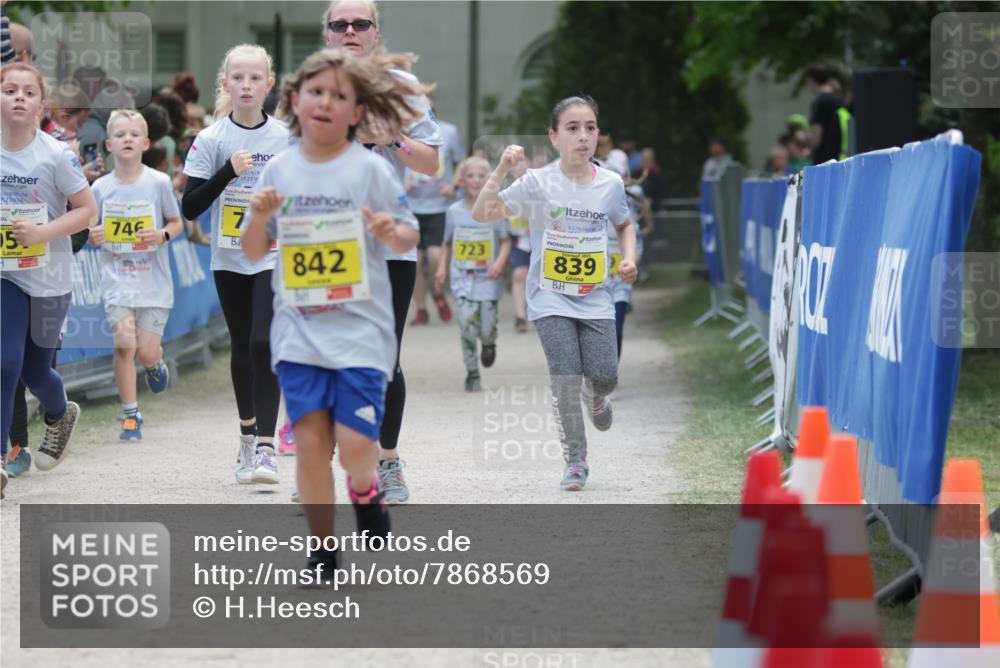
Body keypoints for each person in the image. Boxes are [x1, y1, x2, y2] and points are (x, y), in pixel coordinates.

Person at [242, 47, 421, 576]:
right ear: (294, 101)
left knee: (354, 444)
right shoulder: (278, 169)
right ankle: (323, 548)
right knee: (313, 445)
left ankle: (365, 491)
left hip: (362, 334)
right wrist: (257, 218)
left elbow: (410, 230)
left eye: (338, 95)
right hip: (298, 333)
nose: (324, 102)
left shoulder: (369, 170)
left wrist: (393, 231)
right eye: (315, 92)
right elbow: (255, 251)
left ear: (357, 111)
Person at [473, 95, 638, 492]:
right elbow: (483, 213)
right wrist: (500, 169)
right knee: (564, 376)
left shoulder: (611, 183)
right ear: (554, 137)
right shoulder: (537, 182)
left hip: (595, 294)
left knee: (604, 375)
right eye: (573, 128)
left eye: (591, 128)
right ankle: (576, 460)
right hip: (548, 296)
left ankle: (596, 397)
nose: (583, 136)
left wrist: (629, 260)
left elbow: (625, 225)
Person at [324, 0, 442, 505]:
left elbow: (433, 163)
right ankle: (324, 465)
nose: (350, 30)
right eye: (340, 24)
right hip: (327, 243)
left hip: (388, 246)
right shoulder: (314, 82)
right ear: (328, 33)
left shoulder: (401, 85)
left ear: (376, 31)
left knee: (384, 359)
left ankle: (388, 462)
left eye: (360, 23)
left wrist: (392, 137)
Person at [181, 44, 290, 486]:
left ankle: (266, 448)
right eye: (238, 78)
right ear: (225, 84)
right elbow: (190, 207)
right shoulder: (211, 139)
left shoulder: (286, 138)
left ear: (268, 85)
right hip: (229, 256)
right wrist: (227, 172)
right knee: (242, 346)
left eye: (255, 78)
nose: (246, 85)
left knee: (266, 342)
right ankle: (247, 435)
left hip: (273, 254)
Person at [1, 63, 98, 497]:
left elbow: (87, 211)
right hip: (5, 273)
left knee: (36, 371)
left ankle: (60, 414)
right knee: (4, 363)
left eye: (28, 92)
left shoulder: (55, 155)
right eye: (9, 90)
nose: (18, 97)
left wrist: (41, 233)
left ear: (42, 106)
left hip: (50, 276)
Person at [87, 110, 182, 441]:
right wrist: (93, 235)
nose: (127, 139)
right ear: (109, 143)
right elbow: (88, 228)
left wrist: (162, 236)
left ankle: (155, 364)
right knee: (124, 345)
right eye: (120, 134)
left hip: (154, 281)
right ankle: (131, 414)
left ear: (145, 143)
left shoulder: (158, 182)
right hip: (117, 280)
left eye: (133, 134)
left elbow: (176, 222)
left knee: (145, 352)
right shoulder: (99, 188)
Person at [434, 156, 511, 391]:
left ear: (489, 180)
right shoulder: (453, 211)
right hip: (462, 279)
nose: (476, 180)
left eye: (481, 176)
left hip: (488, 279)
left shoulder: (495, 210)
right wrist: (441, 266)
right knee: (467, 326)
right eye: (470, 176)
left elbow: (506, 241)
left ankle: (489, 343)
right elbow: (446, 242)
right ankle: (472, 373)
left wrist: (499, 262)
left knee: (486, 328)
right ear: (462, 180)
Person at [405, 93, 465, 326]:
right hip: (411, 205)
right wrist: (403, 184)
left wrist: (455, 185)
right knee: (416, 260)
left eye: (429, 108)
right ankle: (421, 309)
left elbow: (460, 161)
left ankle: (438, 293)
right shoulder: (402, 132)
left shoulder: (448, 131)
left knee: (435, 255)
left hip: (440, 206)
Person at [805, 63, 849, 164]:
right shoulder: (840, 99)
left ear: (810, 81)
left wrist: (808, 152)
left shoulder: (820, 101)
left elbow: (817, 136)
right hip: (843, 156)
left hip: (825, 159)